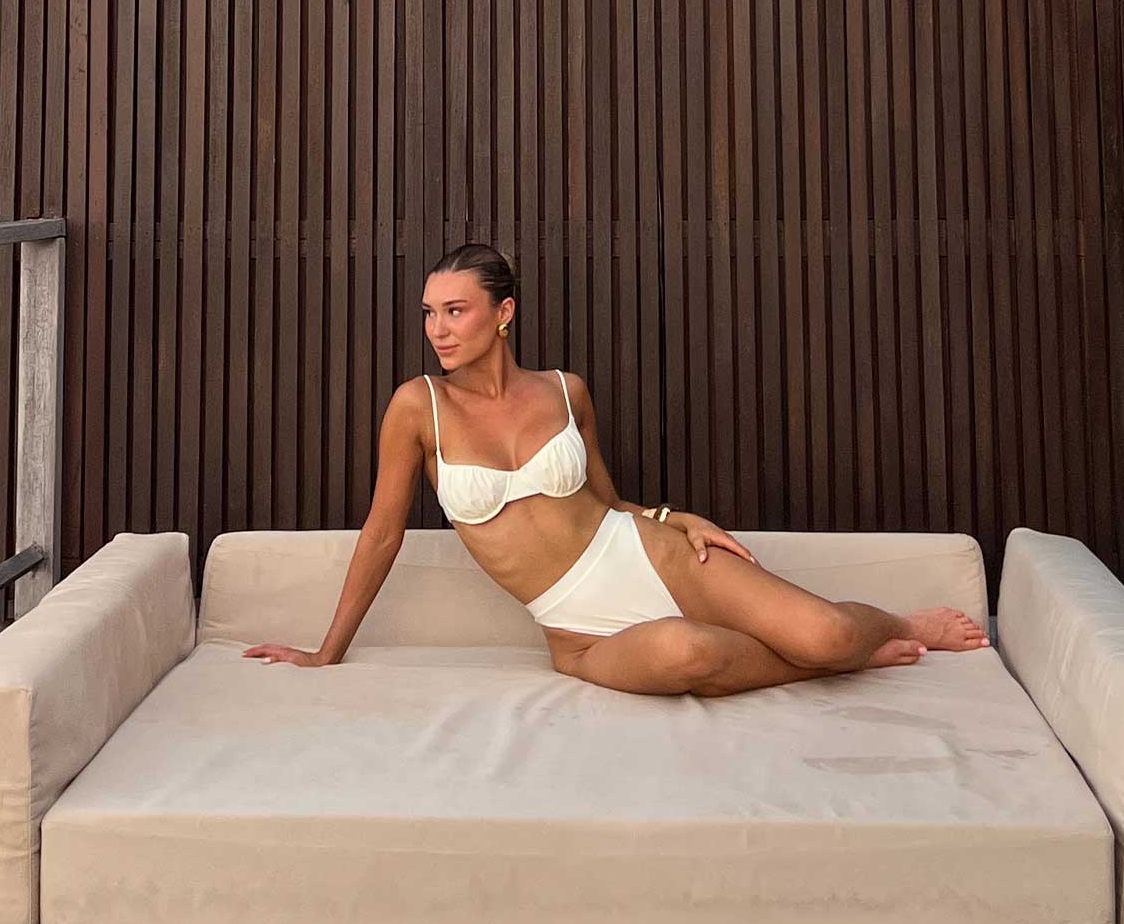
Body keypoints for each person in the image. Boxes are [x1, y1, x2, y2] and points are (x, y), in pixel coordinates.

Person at [243, 242, 990, 694]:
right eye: (430, 312)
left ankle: (887, 628)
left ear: (503, 313)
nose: (438, 328)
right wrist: (326, 651)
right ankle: (850, 662)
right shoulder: (418, 407)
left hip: (647, 552)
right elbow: (382, 534)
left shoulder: (566, 390)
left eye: (457, 310)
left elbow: (605, 499)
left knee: (825, 629)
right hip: (579, 628)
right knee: (688, 652)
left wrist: (668, 517)